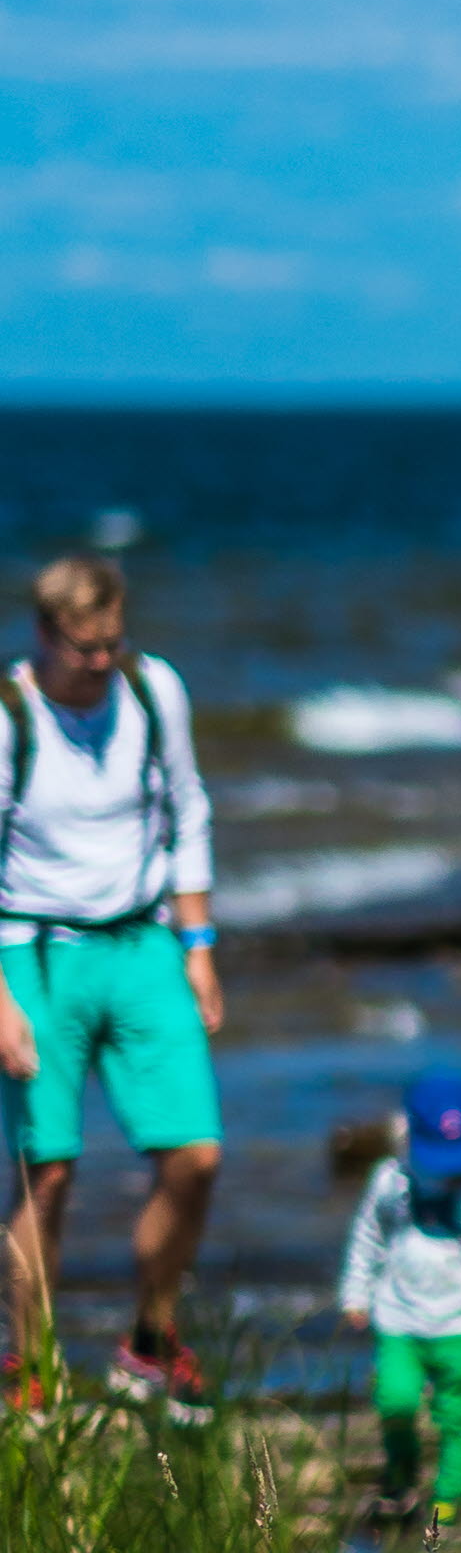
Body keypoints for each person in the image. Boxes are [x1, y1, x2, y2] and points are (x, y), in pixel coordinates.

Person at [0, 552, 226, 1419]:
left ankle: (150, 1341)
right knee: (46, 1172)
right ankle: (32, 1370)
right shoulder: (11, 716)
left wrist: (199, 945)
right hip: (34, 949)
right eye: (83, 648)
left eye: (112, 643)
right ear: (44, 633)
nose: (100, 662)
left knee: (196, 1155)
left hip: (143, 940)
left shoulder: (152, 690)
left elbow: (188, 808)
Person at [339, 1067, 461, 1553]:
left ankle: (448, 1499)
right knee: (395, 1400)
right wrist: (355, 1293)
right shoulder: (391, 1180)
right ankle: (400, 1477)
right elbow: (369, 1237)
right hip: (399, 1318)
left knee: (455, 1413)